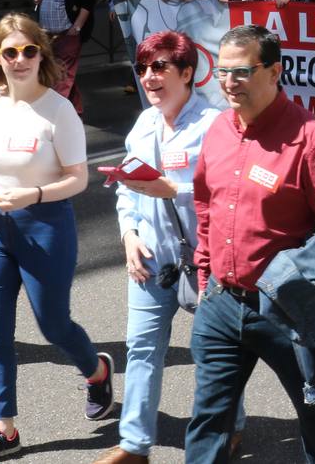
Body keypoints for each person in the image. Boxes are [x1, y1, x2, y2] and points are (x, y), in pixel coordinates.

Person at [187, 25, 315, 463]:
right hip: (221, 302)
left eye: (242, 72)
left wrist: (313, 292)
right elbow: (205, 206)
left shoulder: (311, 138)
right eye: (222, 72)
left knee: (314, 406)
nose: (229, 82)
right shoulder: (218, 131)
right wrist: (206, 275)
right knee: (209, 417)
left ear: (274, 71)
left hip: (285, 308)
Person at [0, 14, 113, 464]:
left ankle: (97, 370)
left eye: (29, 51)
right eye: (10, 51)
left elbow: (78, 178)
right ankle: (3, 429)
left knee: (53, 324)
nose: (20, 59)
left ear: (41, 55)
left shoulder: (58, 109)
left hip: (45, 224)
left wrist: (35, 194)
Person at [94, 31, 243, 464]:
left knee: (216, 353)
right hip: (151, 259)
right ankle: (135, 445)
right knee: (140, 348)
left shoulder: (215, 124)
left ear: (187, 73)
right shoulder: (143, 124)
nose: (149, 77)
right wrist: (128, 236)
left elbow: (229, 189)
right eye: (143, 68)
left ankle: (230, 427)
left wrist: (171, 189)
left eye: (160, 67)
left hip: (205, 261)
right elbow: (126, 188)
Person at [31, 0, 95, 116]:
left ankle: (54, 114)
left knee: (61, 76)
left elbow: (88, 1)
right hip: (48, 35)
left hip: (68, 33)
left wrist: (77, 27)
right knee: (62, 73)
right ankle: (76, 108)